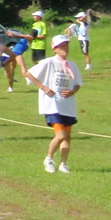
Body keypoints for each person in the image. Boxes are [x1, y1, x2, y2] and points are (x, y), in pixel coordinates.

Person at [29, 33, 82, 172]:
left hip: (67, 105)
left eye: (66, 45)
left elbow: (77, 84)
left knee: (67, 137)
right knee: (60, 135)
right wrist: (44, 87)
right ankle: (49, 159)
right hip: (52, 105)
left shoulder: (72, 65)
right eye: (61, 46)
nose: (65, 48)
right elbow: (29, 74)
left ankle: (63, 164)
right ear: (55, 48)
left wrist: (72, 91)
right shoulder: (48, 62)